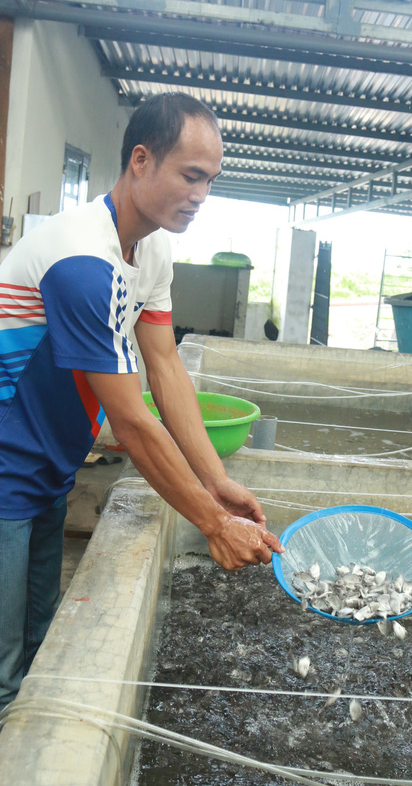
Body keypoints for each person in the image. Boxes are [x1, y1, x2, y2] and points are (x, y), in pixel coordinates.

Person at [0, 92, 284, 711]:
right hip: (4, 472)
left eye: (210, 180)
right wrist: (214, 526)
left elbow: (165, 366)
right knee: (1, 668)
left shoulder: (151, 247)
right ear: (140, 160)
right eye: (190, 175)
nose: (201, 195)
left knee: (41, 642)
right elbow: (130, 418)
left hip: (47, 468)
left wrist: (216, 481)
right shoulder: (82, 261)